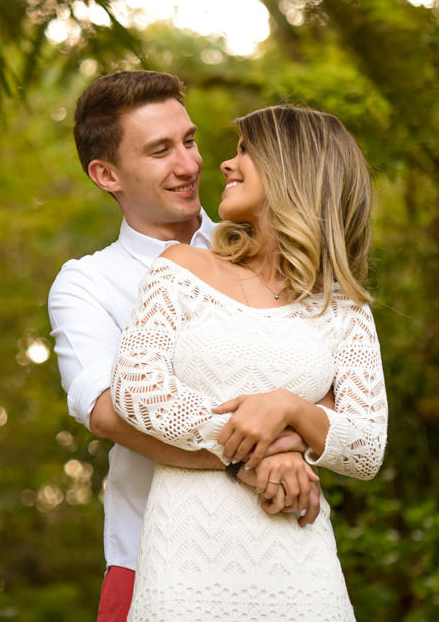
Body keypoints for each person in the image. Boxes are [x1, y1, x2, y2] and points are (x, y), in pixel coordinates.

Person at [49, 72, 324, 622]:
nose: (190, 165)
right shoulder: (87, 283)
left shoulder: (263, 251)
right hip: (149, 556)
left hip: (285, 548)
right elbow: (107, 413)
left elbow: (338, 390)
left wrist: (294, 421)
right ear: (106, 174)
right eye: (159, 151)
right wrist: (256, 454)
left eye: (190, 140)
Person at [110, 104, 388, 621]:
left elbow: (367, 447)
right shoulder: (180, 269)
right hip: (186, 558)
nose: (225, 164)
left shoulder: (344, 308)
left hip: (299, 562)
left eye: (245, 151)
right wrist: (259, 450)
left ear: (292, 169)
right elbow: (136, 390)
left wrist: (287, 408)